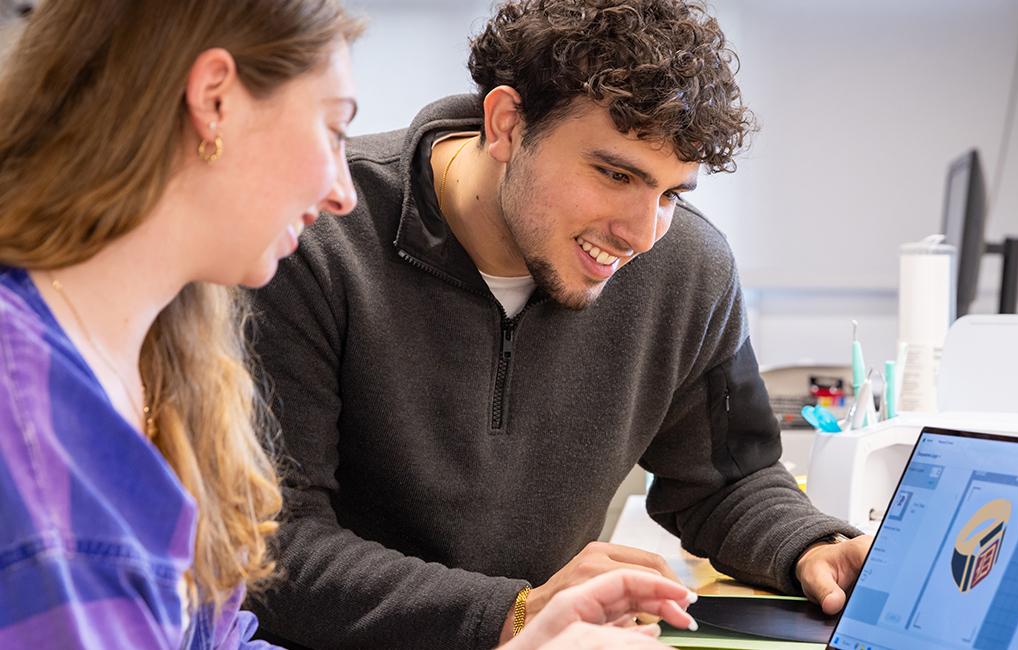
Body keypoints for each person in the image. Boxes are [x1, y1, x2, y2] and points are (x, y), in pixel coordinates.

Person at [0, 1, 696, 648]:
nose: (340, 188)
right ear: (214, 101)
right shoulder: (27, 418)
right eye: (331, 129)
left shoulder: (157, 354)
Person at [248, 1, 871, 648]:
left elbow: (728, 481)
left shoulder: (689, 269)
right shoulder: (310, 237)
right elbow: (274, 547)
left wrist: (810, 545)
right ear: (507, 124)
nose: (641, 235)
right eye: (614, 173)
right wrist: (514, 612)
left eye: (670, 193)